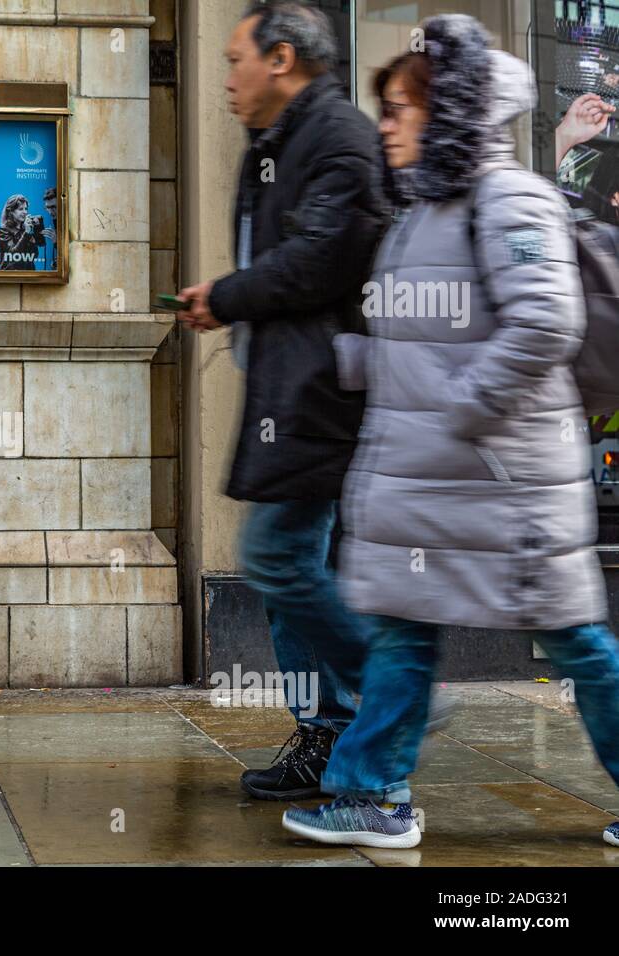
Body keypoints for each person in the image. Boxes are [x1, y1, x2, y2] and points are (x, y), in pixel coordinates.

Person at [283, 14, 619, 850]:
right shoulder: (425, 210)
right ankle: (371, 794)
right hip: (438, 482)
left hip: (506, 484)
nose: (386, 123)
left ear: (453, 110)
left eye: (400, 107)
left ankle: (372, 791)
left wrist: (465, 410)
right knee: (404, 625)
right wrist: (354, 362)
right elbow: (433, 332)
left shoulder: (511, 198)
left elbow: (544, 323)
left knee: (575, 642)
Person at [175, 1, 388, 800]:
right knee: (289, 569)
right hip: (286, 386)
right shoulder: (281, 141)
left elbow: (321, 259)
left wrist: (228, 295)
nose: (227, 77)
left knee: (277, 555)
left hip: (324, 394)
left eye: (236, 59)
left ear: (283, 57)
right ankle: (329, 735)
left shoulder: (338, 137)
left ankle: (387, 698)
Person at [0, 194, 43, 270]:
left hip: (28, 276)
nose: (25, 212)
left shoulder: (25, 228)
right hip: (10, 276)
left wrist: (35, 232)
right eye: (21, 209)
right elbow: (13, 255)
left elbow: (34, 255)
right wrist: (26, 234)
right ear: (11, 211)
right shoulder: (3, 231)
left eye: (26, 209)